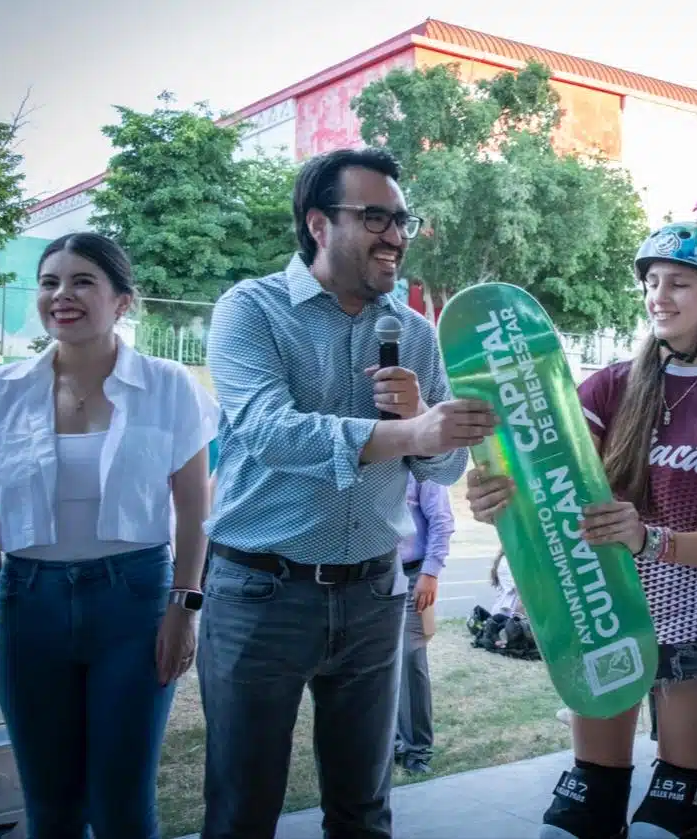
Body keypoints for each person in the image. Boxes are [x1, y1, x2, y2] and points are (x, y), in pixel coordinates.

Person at [198, 147, 496, 839]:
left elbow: (441, 475)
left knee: (364, 812)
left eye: (400, 219)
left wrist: (427, 423)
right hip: (259, 596)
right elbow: (274, 433)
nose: (394, 234)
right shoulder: (250, 310)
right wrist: (407, 432)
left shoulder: (417, 334)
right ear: (317, 223)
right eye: (374, 217)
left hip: (372, 597)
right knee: (242, 811)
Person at [466, 221, 697, 839]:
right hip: (601, 611)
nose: (658, 295)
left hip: (692, 620)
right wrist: (500, 502)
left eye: (679, 283)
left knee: (673, 822)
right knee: (581, 817)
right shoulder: (609, 385)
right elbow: (551, 491)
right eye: (652, 282)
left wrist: (648, 538)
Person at [0, 232, 216, 838]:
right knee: (50, 806)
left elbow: (195, 508)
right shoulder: (3, 394)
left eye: (82, 281)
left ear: (122, 301)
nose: (61, 295)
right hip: (28, 606)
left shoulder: (168, 387)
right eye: (50, 282)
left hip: (135, 605)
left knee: (122, 804)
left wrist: (184, 607)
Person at [393, 473, 454, 776]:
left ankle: (417, 751)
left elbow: (442, 519)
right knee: (372, 664)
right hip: (368, 578)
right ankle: (390, 743)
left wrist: (430, 573)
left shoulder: (423, 458)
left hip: (412, 575)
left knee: (410, 658)